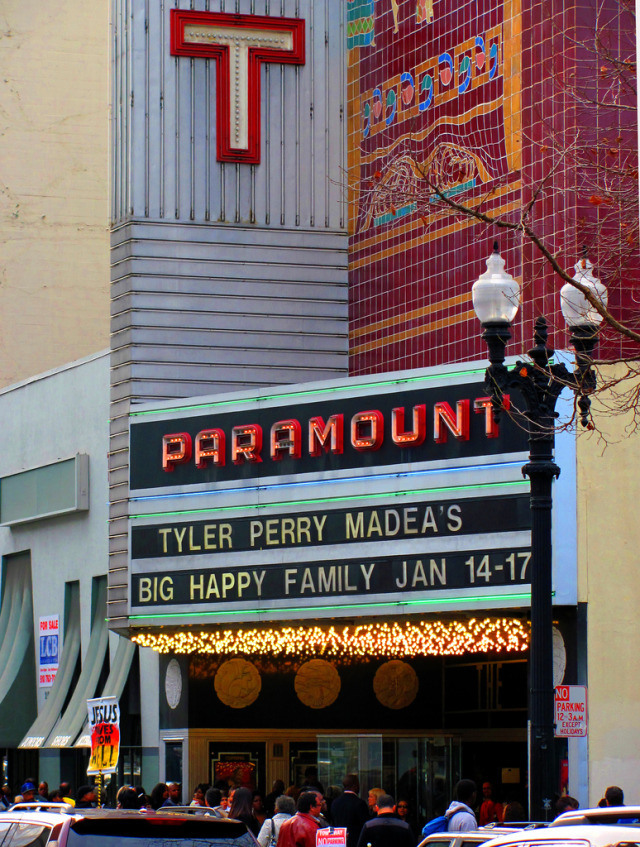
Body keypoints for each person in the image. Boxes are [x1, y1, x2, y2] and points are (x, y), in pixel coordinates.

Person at [329, 775, 370, 847]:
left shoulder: (335, 802)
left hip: (338, 842)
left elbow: (332, 822)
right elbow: (365, 825)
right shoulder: (359, 803)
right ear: (355, 786)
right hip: (356, 842)